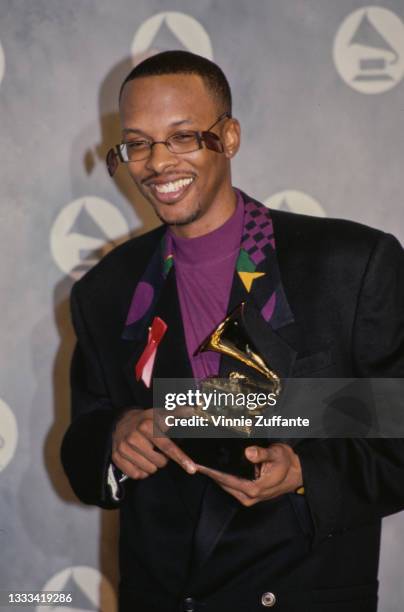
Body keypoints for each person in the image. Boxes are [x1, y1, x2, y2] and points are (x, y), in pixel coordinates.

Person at [61, 51, 404, 612]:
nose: (156, 163)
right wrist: (115, 435)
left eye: (183, 137)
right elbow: (84, 440)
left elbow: (398, 421)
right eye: (138, 143)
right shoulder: (106, 291)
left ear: (231, 136)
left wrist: (303, 474)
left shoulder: (351, 264)